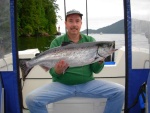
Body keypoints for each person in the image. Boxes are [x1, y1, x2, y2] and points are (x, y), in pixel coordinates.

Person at [26, 9, 125, 113]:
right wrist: (57, 71)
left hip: (87, 84)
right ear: (65, 24)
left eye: (77, 21)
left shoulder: (90, 41)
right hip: (61, 85)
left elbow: (95, 70)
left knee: (119, 91)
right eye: (71, 21)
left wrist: (100, 61)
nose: (74, 24)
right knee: (31, 99)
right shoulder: (57, 42)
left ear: (81, 24)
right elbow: (52, 72)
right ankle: (27, 65)